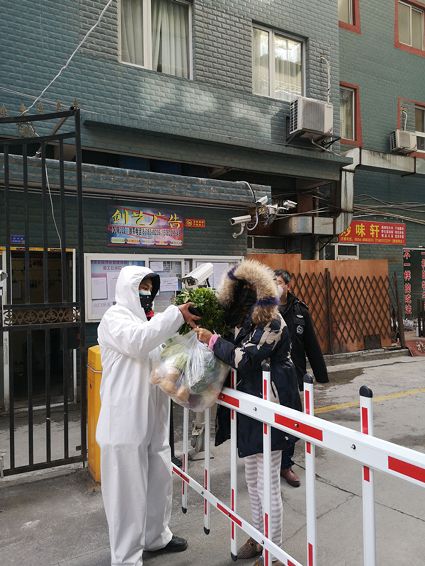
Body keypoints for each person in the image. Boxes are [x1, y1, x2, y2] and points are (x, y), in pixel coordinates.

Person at [195, 260, 301, 565]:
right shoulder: (244, 321)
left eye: (247, 292)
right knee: (253, 479)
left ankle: (275, 551)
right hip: (249, 406)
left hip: (272, 405)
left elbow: (244, 359)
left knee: (268, 483)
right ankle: (258, 537)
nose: (243, 298)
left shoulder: (273, 322)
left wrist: (213, 340)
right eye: (239, 292)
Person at [96, 265, 200, 566]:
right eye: (142, 286)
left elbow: (159, 354)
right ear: (127, 288)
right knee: (126, 492)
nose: (146, 293)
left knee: (159, 479)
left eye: (150, 288)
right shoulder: (114, 319)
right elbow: (138, 341)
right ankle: (126, 558)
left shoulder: (150, 322)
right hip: (124, 421)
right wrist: (176, 314)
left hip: (154, 419)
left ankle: (156, 536)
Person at [275, 269, 329, 488]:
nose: (276, 286)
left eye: (279, 282)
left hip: (294, 373)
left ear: (288, 286)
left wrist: (321, 374)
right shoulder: (264, 309)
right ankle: (268, 459)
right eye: (273, 282)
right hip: (270, 375)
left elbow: (311, 344)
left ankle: (285, 465)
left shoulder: (300, 311)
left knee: (291, 421)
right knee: (270, 419)